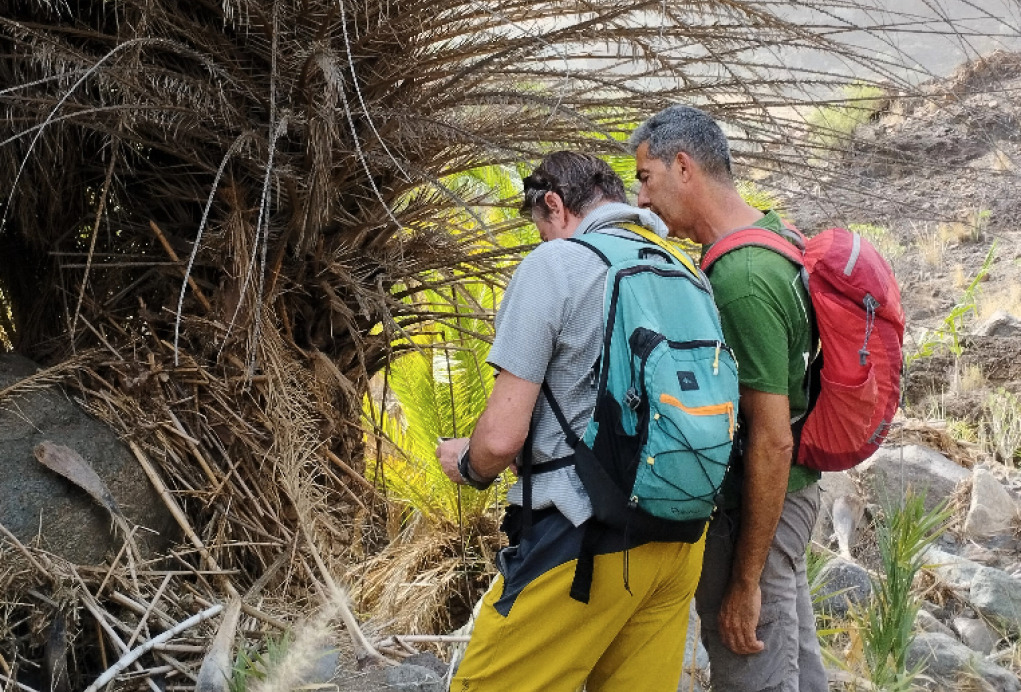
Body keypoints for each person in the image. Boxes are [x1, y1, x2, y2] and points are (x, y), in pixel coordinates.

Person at [435, 151, 705, 692]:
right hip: (678, 539)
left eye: (539, 227)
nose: (541, 241)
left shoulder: (556, 264)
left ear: (553, 205)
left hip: (585, 538)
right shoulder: (683, 268)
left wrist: (467, 462)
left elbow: (503, 437)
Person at [629, 105, 827, 691]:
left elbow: (770, 437)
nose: (641, 200)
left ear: (683, 167)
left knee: (754, 672)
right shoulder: (773, 234)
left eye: (646, 178)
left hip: (760, 508)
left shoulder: (740, 278)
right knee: (797, 665)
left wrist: (744, 580)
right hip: (789, 500)